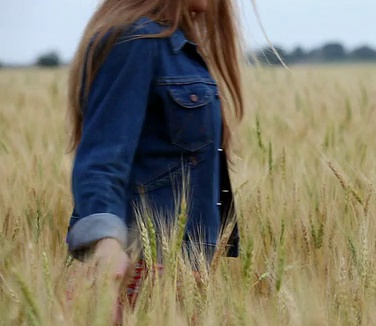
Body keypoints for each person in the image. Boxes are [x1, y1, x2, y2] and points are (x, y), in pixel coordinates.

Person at [65, 0, 243, 302]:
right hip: (141, 274)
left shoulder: (179, 50)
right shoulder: (137, 40)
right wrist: (105, 245)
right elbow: (102, 159)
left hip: (183, 276)